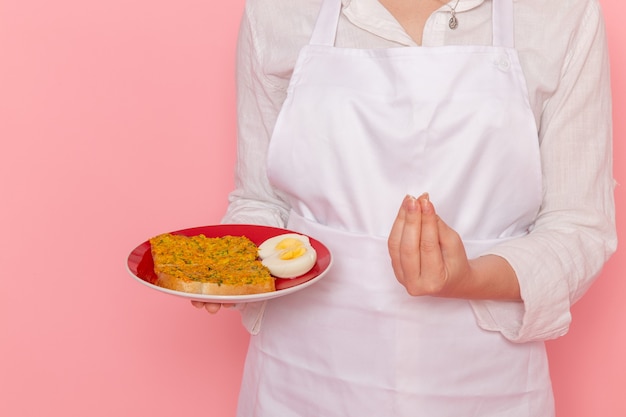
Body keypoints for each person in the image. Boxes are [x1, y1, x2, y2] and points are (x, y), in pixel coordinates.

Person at [193, 0, 617, 415]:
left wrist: (468, 277)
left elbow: (578, 227)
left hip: (483, 385)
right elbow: (261, 200)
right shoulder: (276, 10)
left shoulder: (562, 13)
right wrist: (229, 268)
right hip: (300, 379)